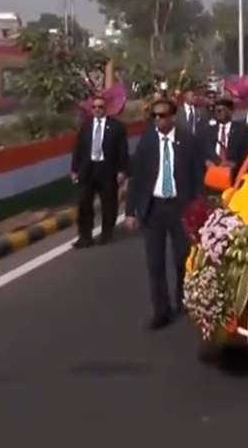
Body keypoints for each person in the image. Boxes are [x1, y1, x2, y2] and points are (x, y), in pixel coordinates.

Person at [124, 98, 205, 330]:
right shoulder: (148, 141)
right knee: (155, 263)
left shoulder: (188, 141)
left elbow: (198, 178)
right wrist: (131, 211)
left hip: (181, 208)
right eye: (155, 116)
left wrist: (200, 209)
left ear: (173, 117)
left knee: (182, 258)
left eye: (162, 115)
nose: (158, 119)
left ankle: (183, 297)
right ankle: (161, 310)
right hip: (154, 208)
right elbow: (137, 177)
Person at [70, 94, 129, 248]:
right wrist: (74, 169)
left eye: (100, 107)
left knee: (108, 204)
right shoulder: (86, 126)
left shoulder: (116, 127)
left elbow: (123, 150)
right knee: (84, 203)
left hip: (107, 170)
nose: (97, 110)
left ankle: (106, 233)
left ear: (106, 108)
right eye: (94, 107)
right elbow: (78, 149)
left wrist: (122, 171)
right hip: (87, 170)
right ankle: (84, 237)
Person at [203, 98, 248, 179]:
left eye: (220, 110)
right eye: (216, 111)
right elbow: (201, 152)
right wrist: (206, 161)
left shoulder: (242, 131)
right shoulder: (208, 131)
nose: (217, 113)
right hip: (212, 176)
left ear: (230, 111)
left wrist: (234, 164)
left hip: (233, 176)